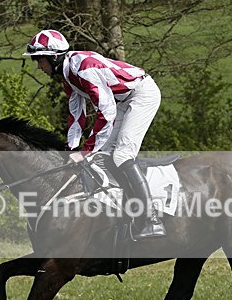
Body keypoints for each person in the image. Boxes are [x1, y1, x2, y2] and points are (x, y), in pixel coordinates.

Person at [24, 29, 165, 240]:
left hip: (142, 95)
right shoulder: (68, 73)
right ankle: (121, 215)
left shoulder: (84, 69)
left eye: (39, 60)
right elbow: (76, 115)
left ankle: (151, 219)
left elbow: (106, 114)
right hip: (124, 101)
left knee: (122, 155)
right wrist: (71, 149)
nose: (38, 66)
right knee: (102, 158)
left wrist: (84, 151)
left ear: (53, 57)